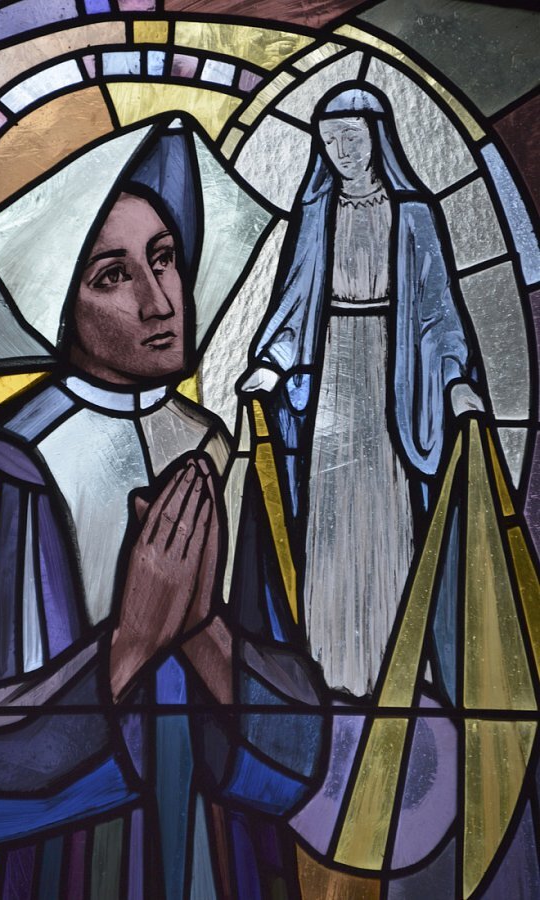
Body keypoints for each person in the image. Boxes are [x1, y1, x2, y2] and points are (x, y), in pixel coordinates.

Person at [0, 119, 326, 899]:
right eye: (112, 276)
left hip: (220, 849)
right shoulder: (11, 463)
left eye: (164, 259)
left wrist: (202, 633)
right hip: (62, 863)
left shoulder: (216, 450)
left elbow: (301, 753)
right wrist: (130, 643)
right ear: (61, 307)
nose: (159, 300)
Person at [240, 83, 484, 697]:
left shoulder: (415, 214)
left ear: (378, 137)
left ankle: (391, 665)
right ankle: (330, 669)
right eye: (330, 141)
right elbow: (295, 305)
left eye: (352, 137)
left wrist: (454, 379)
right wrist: (272, 364)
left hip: (394, 373)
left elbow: (437, 314)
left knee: (387, 514)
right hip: (332, 374)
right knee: (329, 519)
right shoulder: (315, 214)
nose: (342, 151)